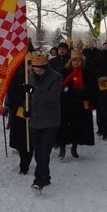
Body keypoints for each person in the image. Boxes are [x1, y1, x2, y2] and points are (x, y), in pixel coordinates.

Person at [24, 50, 63, 191]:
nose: (38, 73)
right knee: (38, 152)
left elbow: (53, 97)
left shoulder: (56, 77)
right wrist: (26, 108)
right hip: (35, 119)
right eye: (35, 70)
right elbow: (28, 98)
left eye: (40, 70)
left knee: (44, 151)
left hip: (50, 120)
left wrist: (35, 91)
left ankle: (38, 179)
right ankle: (46, 176)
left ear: (46, 68)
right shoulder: (30, 76)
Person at [56, 48, 97, 160]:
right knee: (64, 126)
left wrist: (86, 91)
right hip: (67, 103)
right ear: (71, 61)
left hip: (81, 104)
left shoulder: (87, 72)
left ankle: (74, 147)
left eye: (78, 60)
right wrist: (67, 90)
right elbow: (60, 86)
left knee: (79, 127)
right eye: (74, 60)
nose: (76, 62)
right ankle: (62, 148)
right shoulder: (64, 72)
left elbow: (93, 87)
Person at [6, 54, 34, 175]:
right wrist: (22, 101)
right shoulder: (18, 78)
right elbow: (11, 93)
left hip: (37, 114)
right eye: (29, 64)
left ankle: (25, 163)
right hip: (20, 112)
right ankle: (23, 160)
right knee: (22, 139)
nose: (32, 67)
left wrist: (32, 96)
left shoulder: (40, 78)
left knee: (31, 140)